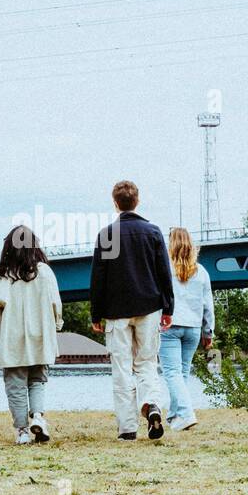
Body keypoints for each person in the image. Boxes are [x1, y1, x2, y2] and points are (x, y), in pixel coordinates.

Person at [89, 180, 174, 441]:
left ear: (115, 203)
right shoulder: (153, 232)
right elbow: (163, 272)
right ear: (137, 201)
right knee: (147, 363)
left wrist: (96, 313)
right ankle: (153, 406)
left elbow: (98, 277)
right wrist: (168, 307)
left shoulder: (106, 235)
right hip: (149, 306)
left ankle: (127, 428)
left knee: (122, 368)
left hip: (116, 310)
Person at [0, 226, 63, 444]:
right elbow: (55, 303)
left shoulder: (2, 275)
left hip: (12, 337)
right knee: (38, 379)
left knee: (15, 384)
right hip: (40, 335)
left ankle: (22, 431)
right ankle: (38, 417)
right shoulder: (45, 272)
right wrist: (56, 325)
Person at [160, 226, 214, 432]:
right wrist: (208, 333)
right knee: (181, 373)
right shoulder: (202, 272)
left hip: (169, 327)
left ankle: (187, 413)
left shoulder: (164, 270)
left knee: (172, 373)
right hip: (192, 329)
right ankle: (175, 417)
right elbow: (208, 306)